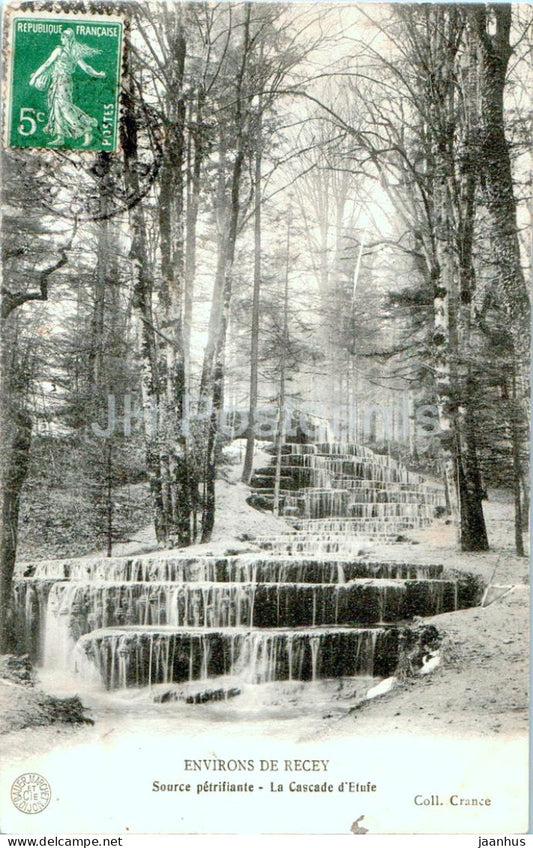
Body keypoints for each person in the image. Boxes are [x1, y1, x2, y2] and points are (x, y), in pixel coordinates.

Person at [29, 28, 105, 147]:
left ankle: (87, 128)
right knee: (57, 107)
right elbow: (86, 68)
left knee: (64, 107)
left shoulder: (60, 51)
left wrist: (34, 78)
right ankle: (60, 137)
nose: (62, 39)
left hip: (61, 81)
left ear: (68, 38)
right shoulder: (74, 52)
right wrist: (97, 74)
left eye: (64, 37)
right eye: (62, 37)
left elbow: (47, 64)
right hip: (63, 82)